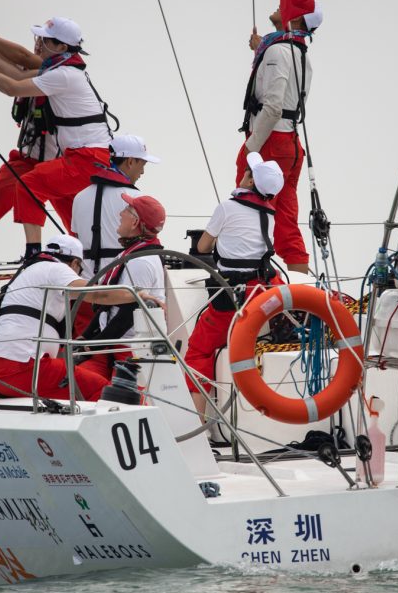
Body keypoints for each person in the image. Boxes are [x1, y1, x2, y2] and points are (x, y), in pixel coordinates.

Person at [0, 17, 113, 258]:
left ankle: (34, 254)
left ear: (62, 47)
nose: (39, 43)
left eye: (45, 40)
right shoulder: (60, 70)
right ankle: (87, 257)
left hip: (86, 158)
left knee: (30, 186)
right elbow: (17, 72)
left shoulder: (63, 75)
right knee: (73, 218)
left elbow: (13, 85)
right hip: (82, 157)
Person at [184, 152, 285, 418]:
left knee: (197, 350)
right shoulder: (271, 214)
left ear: (250, 182)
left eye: (248, 172)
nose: (243, 173)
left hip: (233, 296)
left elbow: (204, 246)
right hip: (262, 292)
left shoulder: (227, 208)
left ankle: (200, 423)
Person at [235, 4, 322, 274]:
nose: (278, 5)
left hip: (270, 142)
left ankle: (248, 278)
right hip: (290, 143)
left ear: (295, 18)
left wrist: (250, 148)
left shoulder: (276, 50)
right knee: (285, 221)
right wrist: (262, 49)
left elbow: (272, 106)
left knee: (247, 209)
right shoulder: (299, 52)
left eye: (285, 5)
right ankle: (301, 295)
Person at [0, 234, 114, 401]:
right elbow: (97, 294)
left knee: (71, 386)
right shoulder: (56, 269)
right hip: (21, 369)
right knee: (101, 390)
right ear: (75, 263)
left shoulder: (27, 273)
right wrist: (136, 295)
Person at [77, 194, 168, 396]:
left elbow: (129, 313)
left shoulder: (141, 261)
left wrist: (93, 347)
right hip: (112, 346)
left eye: (126, 210)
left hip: (128, 350)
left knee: (106, 397)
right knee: (77, 386)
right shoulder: (130, 255)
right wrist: (86, 337)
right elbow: (109, 304)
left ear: (135, 222)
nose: (120, 213)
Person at [70, 134, 159, 335]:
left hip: (85, 291)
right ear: (130, 161)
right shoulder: (136, 199)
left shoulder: (79, 197)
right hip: (119, 291)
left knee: (79, 354)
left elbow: (74, 241)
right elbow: (150, 244)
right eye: (142, 163)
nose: (143, 171)